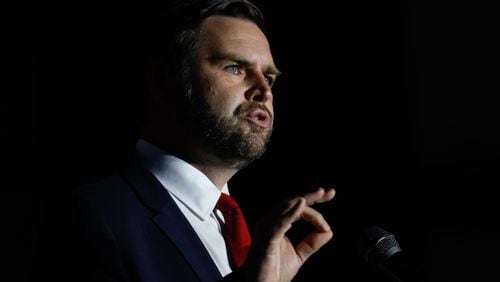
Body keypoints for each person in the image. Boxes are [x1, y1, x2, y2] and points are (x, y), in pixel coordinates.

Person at [71, 0, 336, 281]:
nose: (263, 90)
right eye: (235, 68)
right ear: (162, 81)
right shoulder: (94, 216)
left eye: (269, 78)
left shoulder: (256, 234)